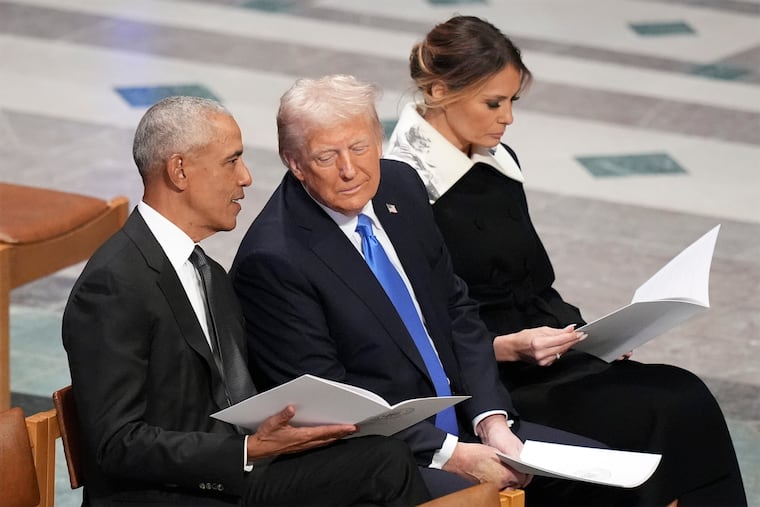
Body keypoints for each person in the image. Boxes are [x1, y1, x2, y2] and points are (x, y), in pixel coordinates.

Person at [231, 74, 650, 506]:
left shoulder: (400, 185)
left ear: (379, 139)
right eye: (326, 156)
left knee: (610, 479)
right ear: (295, 163)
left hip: (469, 423)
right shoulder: (274, 260)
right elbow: (331, 404)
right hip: (390, 454)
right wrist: (452, 454)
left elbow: (456, 310)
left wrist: (492, 421)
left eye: (359, 148)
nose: (350, 170)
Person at [384, 14, 747, 507]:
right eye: (494, 102)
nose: (507, 117)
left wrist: (590, 332)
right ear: (443, 90)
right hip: (488, 383)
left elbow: (530, 282)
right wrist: (507, 348)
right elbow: (415, 330)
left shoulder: (499, 162)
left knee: (685, 392)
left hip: (549, 354)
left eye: (512, 101)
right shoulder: (403, 187)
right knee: (654, 409)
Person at [61, 95, 431, 506]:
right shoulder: (114, 284)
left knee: (383, 455)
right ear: (179, 170)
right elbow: (116, 444)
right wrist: (246, 450)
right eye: (231, 161)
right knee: (383, 466)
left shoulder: (208, 273)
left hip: (233, 476)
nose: (247, 177)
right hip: (169, 494)